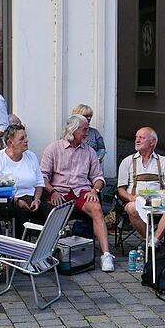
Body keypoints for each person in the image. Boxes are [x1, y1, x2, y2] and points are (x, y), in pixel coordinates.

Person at [40, 115, 114, 272]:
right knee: (52, 213)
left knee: (96, 208)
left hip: (82, 191)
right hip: (59, 192)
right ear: (73, 129)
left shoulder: (89, 151)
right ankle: (48, 253)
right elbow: (42, 177)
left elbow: (98, 177)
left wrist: (95, 190)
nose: (87, 134)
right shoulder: (53, 148)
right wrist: (52, 191)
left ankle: (106, 255)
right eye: (84, 130)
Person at [115, 127, 165, 246]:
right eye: (136, 137)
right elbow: (120, 189)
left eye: (141, 138)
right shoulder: (127, 161)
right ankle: (150, 239)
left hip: (159, 203)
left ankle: (154, 241)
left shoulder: (163, 161)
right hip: (135, 202)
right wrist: (131, 198)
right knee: (132, 208)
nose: (137, 140)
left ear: (152, 142)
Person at [0, 123, 44, 238]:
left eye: (26, 137)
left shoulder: (31, 156)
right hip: (8, 201)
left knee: (52, 212)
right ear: (10, 143)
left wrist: (37, 200)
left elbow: (39, 183)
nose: (26, 141)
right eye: (22, 138)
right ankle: (21, 246)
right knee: (20, 216)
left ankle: (46, 245)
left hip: (30, 199)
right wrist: (18, 201)